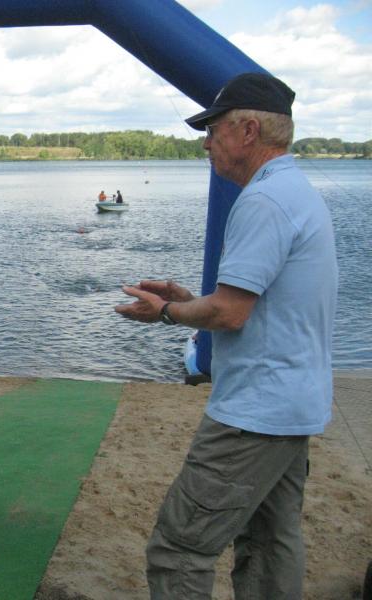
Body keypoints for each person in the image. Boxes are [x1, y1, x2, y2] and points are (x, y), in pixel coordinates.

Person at [114, 72, 337, 598]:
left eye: (212, 131)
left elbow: (232, 313)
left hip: (253, 413)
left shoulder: (264, 201)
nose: (206, 144)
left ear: (249, 131)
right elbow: (262, 309)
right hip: (293, 405)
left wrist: (168, 311)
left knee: (179, 548)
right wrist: (190, 299)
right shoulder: (295, 191)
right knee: (268, 542)